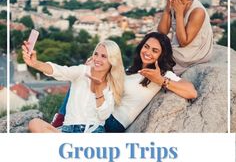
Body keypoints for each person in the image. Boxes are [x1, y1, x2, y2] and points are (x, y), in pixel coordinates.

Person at [52, 32, 197, 132]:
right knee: (83, 75)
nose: (148, 52)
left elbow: (191, 91)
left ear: (161, 55)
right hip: (104, 111)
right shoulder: (131, 69)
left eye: (155, 50)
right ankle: (62, 124)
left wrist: (161, 80)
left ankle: (59, 122)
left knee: (82, 78)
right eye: (146, 47)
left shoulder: (162, 74)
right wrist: (95, 65)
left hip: (114, 121)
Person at [22, 40, 125, 134]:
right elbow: (61, 71)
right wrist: (35, 64)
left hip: (92, 131)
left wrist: (98, 90)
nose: (97, 59)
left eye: (104, 56)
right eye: (96, 54)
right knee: (34, 123)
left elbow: (104, 115)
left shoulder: (112, 84)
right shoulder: (82, 71)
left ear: (112, 60)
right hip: (68, 130)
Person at [158, 0, 213, 75]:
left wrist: (179, 13)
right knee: (151, 41)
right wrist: (167, 9)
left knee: (155, 54)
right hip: (179, 48)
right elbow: (162, 32)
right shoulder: (176, 3)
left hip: (194, 53)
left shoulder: (197, 11)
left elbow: (184, 42)